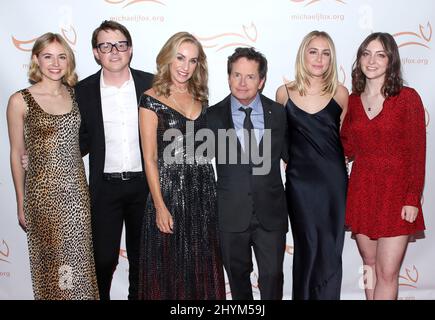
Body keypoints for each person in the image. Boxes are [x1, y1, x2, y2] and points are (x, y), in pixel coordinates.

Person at [6, 32, 99, 299]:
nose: (55, 63)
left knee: (77, 266)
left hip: (76, 195)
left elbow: (88, 138)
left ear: (69, 61)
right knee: (52, 267)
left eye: (61, 56)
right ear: (36, 59)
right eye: (48, 56)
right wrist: (20, 200)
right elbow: (16, 153)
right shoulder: (20, 100)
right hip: (42, 197)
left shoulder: (77, 95)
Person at [137, 31, 225, 299]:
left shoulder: (202, 98)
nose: (185, 67)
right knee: (169, 267)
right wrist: (160, 206)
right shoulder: (150, 99)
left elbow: (206, 148)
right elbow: (150, 158)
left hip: (203, 191)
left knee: (201, 263)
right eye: (180, 58)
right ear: (168, 58)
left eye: (193, 61)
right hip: (169, 191)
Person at [340, 32, 426, 300]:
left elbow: (417, 152)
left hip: (396, 194)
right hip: (363, 192)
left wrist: (412, 198)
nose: (372, 60)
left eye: (380, 54)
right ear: (359, 59)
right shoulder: (352, 101)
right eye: (366, 53)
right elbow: (347, 147)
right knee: (370, 266)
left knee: (388, 272)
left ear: (391, 60)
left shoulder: (407, 98)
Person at [75, 20, 153, 300]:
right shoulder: (82, 92)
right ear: (96, 53)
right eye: (106, 45)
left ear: (130, 49)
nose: (114, 51)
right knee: (103, 261)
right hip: (104, 189)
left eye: (120, 44)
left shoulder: (152, 84)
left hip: (144, 188)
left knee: (143, 262)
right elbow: (79, 141)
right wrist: (39, 156)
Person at [207, 47, 288, 300]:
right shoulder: (212, 116)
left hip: (271, 213)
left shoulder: (280, 114)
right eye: (237, 75)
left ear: (261, 81)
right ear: (229, 77)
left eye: (250, 76)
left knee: (273, 278)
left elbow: (295, 158)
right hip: (231, 215)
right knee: (238, 281)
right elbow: (195, 162)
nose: (242, 83)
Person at [275, 30, 349, 300]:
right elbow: (281, 141)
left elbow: (343, 138)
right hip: (300, 184)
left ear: (332, 58)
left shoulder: (341, 94)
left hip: (333, 183)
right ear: (303, 54)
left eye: (326, 53)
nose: (319, 58)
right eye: (313, 51)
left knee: (331, 249)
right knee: (306, 246)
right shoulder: (283, 93)